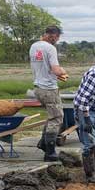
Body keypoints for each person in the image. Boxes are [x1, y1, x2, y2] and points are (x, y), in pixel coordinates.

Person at [29, 25, 68, 161]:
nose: (57, 40)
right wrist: (62, 71)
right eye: (57, 38)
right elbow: (56, 70)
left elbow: (44, 67)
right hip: (49, 89)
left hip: (38, 87)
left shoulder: (34, 46)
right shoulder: (50, 48)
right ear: (54, 36)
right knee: (57, 118)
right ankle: (50, 152)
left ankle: (43, 143)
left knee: (51, 116)